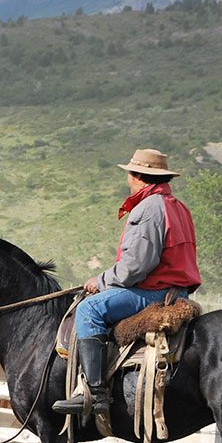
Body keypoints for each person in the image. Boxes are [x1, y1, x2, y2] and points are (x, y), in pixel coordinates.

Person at [53, 149, 201, 417]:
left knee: (89, 310)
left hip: (153, 292)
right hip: (176, 291)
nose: (128, 180)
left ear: (137, 177)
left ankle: (95, 394)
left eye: (130, 174)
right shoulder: (177, 207)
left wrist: (100, 280)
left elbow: (135, 266)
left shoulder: (149, 208)